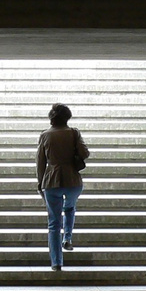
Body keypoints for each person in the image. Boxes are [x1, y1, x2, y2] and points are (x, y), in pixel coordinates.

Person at [36, 103, 89, 271]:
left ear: (51, 118)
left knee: (53, 222)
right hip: (73, 180)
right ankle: (68, 237)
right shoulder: (74, 133)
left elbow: (40, 162)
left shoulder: (45, 135)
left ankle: (56, 262)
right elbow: (85, 153)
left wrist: (40, 182)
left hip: (52, 181)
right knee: (70, 207)